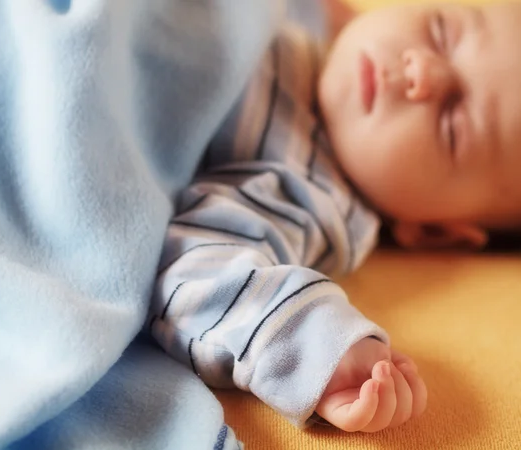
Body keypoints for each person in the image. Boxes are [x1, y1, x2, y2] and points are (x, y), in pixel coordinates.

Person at [146, 0, 521, 434]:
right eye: (441, 31)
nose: (422, 70)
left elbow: (199, 272)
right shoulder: (316, 28)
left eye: (452, 128)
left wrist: (323, 349)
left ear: (434, 231)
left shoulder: (312, 192)